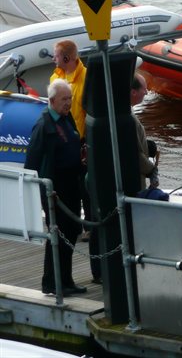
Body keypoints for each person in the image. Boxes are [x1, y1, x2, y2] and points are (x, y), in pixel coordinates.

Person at [24, 79, 87, 296]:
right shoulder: (43, 126)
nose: (69, 103)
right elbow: (31, 163)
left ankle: (67, 280)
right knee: (57, 236)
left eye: (70, 98)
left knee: (70, 234)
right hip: (54, 192)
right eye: (64, 99)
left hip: (71, 187)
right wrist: (39, 192)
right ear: (51, 101)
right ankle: (51, 282)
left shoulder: (66, 118)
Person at [50, 39, 90, 241]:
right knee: (67, 185)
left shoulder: (85, 78)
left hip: (80, 141)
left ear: (66, 58)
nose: (52, 59)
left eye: (55, 56)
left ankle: (89, 224)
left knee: (85, 186)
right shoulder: (54, 78)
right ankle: (70, 225)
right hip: (61, 142)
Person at [131, 72, 159, 191]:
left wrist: (146, 146)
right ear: (133, 92)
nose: (147, 92)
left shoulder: (126, 113)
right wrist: (152, 170)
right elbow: (135, 154)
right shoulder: (130, 119)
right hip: (135, 182)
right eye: (144, 89)